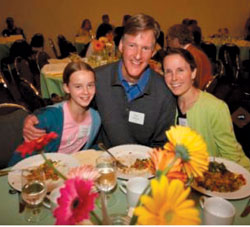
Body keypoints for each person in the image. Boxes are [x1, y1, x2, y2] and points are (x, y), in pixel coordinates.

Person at [22, 13, 176, 149]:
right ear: (121, 45)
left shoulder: (163, 93)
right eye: (132, 45)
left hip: (140, 171)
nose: (137, 55)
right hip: (101, 162)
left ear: (153, 52)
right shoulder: (99, 79)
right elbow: (70, 105)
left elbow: (161, 146)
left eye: (145, 48)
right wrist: (37, 117)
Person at [163, 48, 250, 171]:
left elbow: (232, 156)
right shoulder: (168, 105)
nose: (174, 78)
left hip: (215, 175)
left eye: (180, 70)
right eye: (168, 72)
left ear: (193, 73)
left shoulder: (215, 108)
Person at [9, 61, 101, 165]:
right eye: (78, 86)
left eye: (90, 85)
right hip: (46, 170)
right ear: (66, 88)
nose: (86, 92)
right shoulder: (50, 118)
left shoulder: (95, 118)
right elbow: (23, 154)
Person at [166, 24, 213, 90]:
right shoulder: (195, 50)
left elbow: (194, 83)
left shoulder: (189, 55)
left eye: (169, 40)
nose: (168, 45)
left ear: (176, 40)